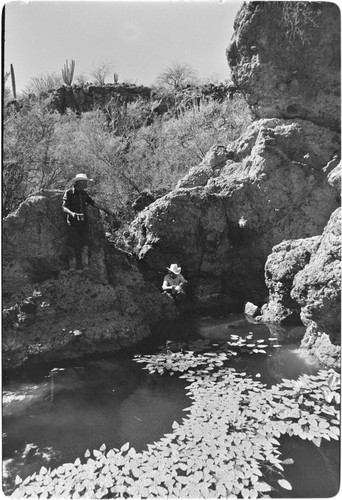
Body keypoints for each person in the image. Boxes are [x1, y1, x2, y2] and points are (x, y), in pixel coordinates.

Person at [62, 173, 112, 271]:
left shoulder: (84, 193)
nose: (86, 184)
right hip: (72, 222)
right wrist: (72, 214)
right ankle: (73, 266)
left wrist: (105, 209)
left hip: (83, 222)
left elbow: (92, 202)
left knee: (84, 242)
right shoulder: (69, 193)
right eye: (85, 182)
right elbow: (64, 207)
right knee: (72, 243)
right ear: (79, 183)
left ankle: (85, 265)